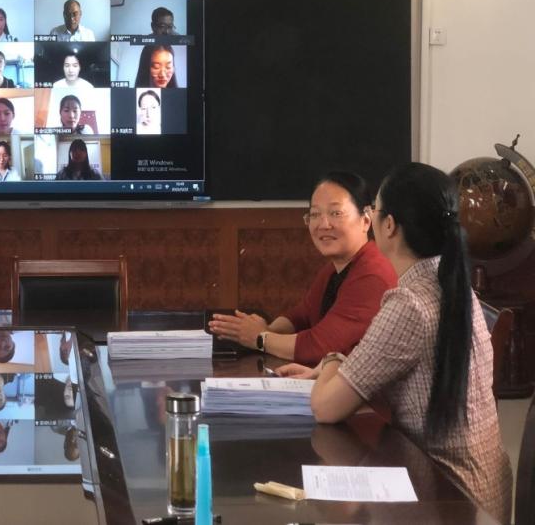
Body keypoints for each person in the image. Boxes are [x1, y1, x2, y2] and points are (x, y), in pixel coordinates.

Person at [276, 163, 513, 522]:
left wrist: (332, 361)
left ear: (388, 226)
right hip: (481, 491)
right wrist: (336, 368)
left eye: (375, 210)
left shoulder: (409, 303)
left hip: (446, 498)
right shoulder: (451, 285)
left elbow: (326, 408)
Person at [209, 171, 397, 365]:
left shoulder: (372, 275)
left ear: (366, 220)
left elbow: (319, 346)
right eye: (315, 214)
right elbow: (301, 315)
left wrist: (260, 338)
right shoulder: (334, 269)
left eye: (336, 213)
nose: (323, 225)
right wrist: (265, 331)